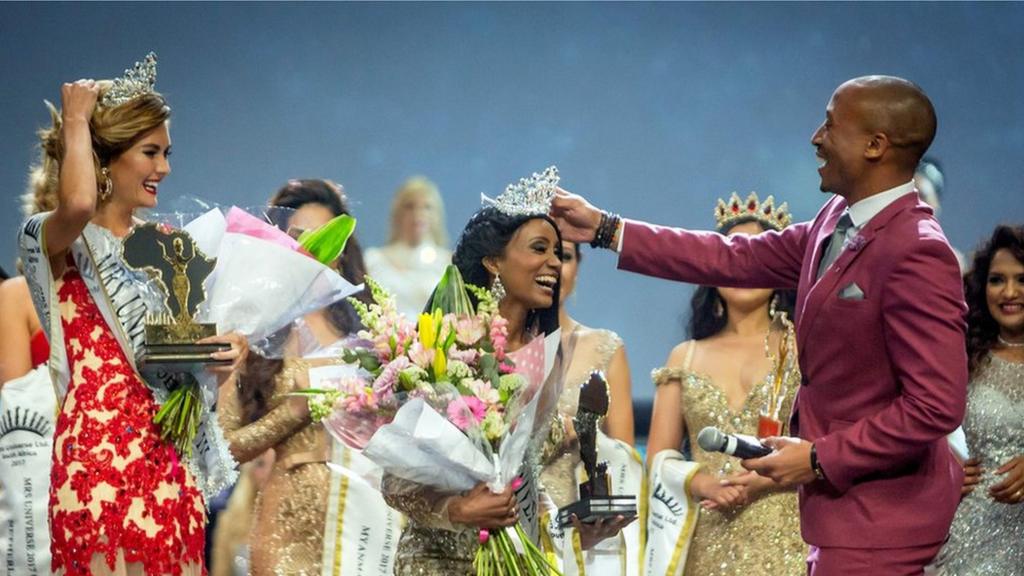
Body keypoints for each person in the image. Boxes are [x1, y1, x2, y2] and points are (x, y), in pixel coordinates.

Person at [552, 75, 967, 575]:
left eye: (831, 125)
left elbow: (935, 406)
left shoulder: (917, 249)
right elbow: (732, 258)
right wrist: (607, 229)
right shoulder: (836, 218)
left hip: (883, 523)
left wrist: (817, 458)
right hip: (836, 518)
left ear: (876, 145)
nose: (816, 137)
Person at [16, 54, 247, 575]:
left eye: (166, 152)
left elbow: (175, 353)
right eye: (149, 152)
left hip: (168, 458)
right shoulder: (56, 240)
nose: (164, 168)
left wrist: (220, 353)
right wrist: (77, 121)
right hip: (97, 459)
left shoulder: (169, 247)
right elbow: (76, 203)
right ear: (106, 160)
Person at [383, 167, 627, 575]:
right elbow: (395, 483)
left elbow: (525, 473)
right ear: (494, 260)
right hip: (437, 561)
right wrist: (457, 509)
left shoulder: (548, 354)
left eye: (558, 253)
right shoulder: (443, 344)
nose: (554, 263)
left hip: (515, 559)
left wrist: (579, 526)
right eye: (539, 249)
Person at [217, 179, 396, 575]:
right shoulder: (252, 327)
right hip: (292, 529)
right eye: (298, 239)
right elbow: (224, 448)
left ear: (343, 253)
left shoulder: (373, 329)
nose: (312, 253)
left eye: (326, 240)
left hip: (367, 520)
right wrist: (292, 413)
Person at [645, 192, 805, 575]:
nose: (743, 265)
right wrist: (703, 485)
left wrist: (765, 482)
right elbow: (658, 458)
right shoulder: (685, 357)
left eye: (757, 254)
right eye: (733, 254)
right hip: (707, 536)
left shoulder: (804, 346)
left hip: (787, 535)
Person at [937, 225, 1024, 575]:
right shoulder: (964, 356)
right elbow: (919, 429)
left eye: (1022, 279)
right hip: (970, 539)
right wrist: (942, 469)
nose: (1010, 292)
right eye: (997, 280)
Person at [540, 240, 635, 508]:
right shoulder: (490, 344)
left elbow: (622, 464)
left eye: (565, 256)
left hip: (578, 534)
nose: (553, 266)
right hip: (501, 526)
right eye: (539, 250)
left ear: (578, 267)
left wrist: (583, 436)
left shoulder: (606, 347)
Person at [365, 176, 452, 318]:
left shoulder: (449, 263)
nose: (418, 214)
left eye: (427, 207)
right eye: (410, 206)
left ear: (437, 214)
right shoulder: (373, 260)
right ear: (397, 212)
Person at [914, 157, 967, 273]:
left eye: (922, 197)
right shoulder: (874, 253)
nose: (913, 205)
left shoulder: (954, 265)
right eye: (907, 196)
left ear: (936, 206)